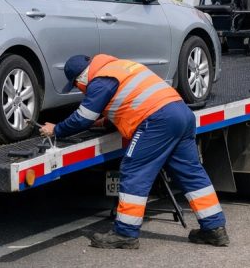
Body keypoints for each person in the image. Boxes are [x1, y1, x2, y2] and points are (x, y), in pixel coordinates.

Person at [40, 54, 229, 249]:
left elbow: (83, 118)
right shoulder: (119, 67)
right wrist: (106, 121)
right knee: (191, 173)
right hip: (180, 113)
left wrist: (56, 129)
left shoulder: (99, 81)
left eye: (77, 86)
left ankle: (125, 233)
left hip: (158, 121)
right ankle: (214, 228)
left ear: (79, 80)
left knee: (133, 171)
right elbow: (133, 99)